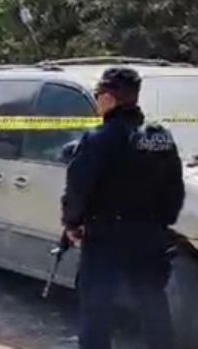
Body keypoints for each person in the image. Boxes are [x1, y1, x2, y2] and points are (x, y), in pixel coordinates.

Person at [62, 67, 185, 349]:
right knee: (153, 307)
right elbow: (174, 189)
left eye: (98, 95)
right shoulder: (159, 136)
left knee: (97, 312)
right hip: (149, 236)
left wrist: (72, 224)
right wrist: (160, 224)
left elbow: (78, 188)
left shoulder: (99, 139)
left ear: (109, 98)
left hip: (106, 238)